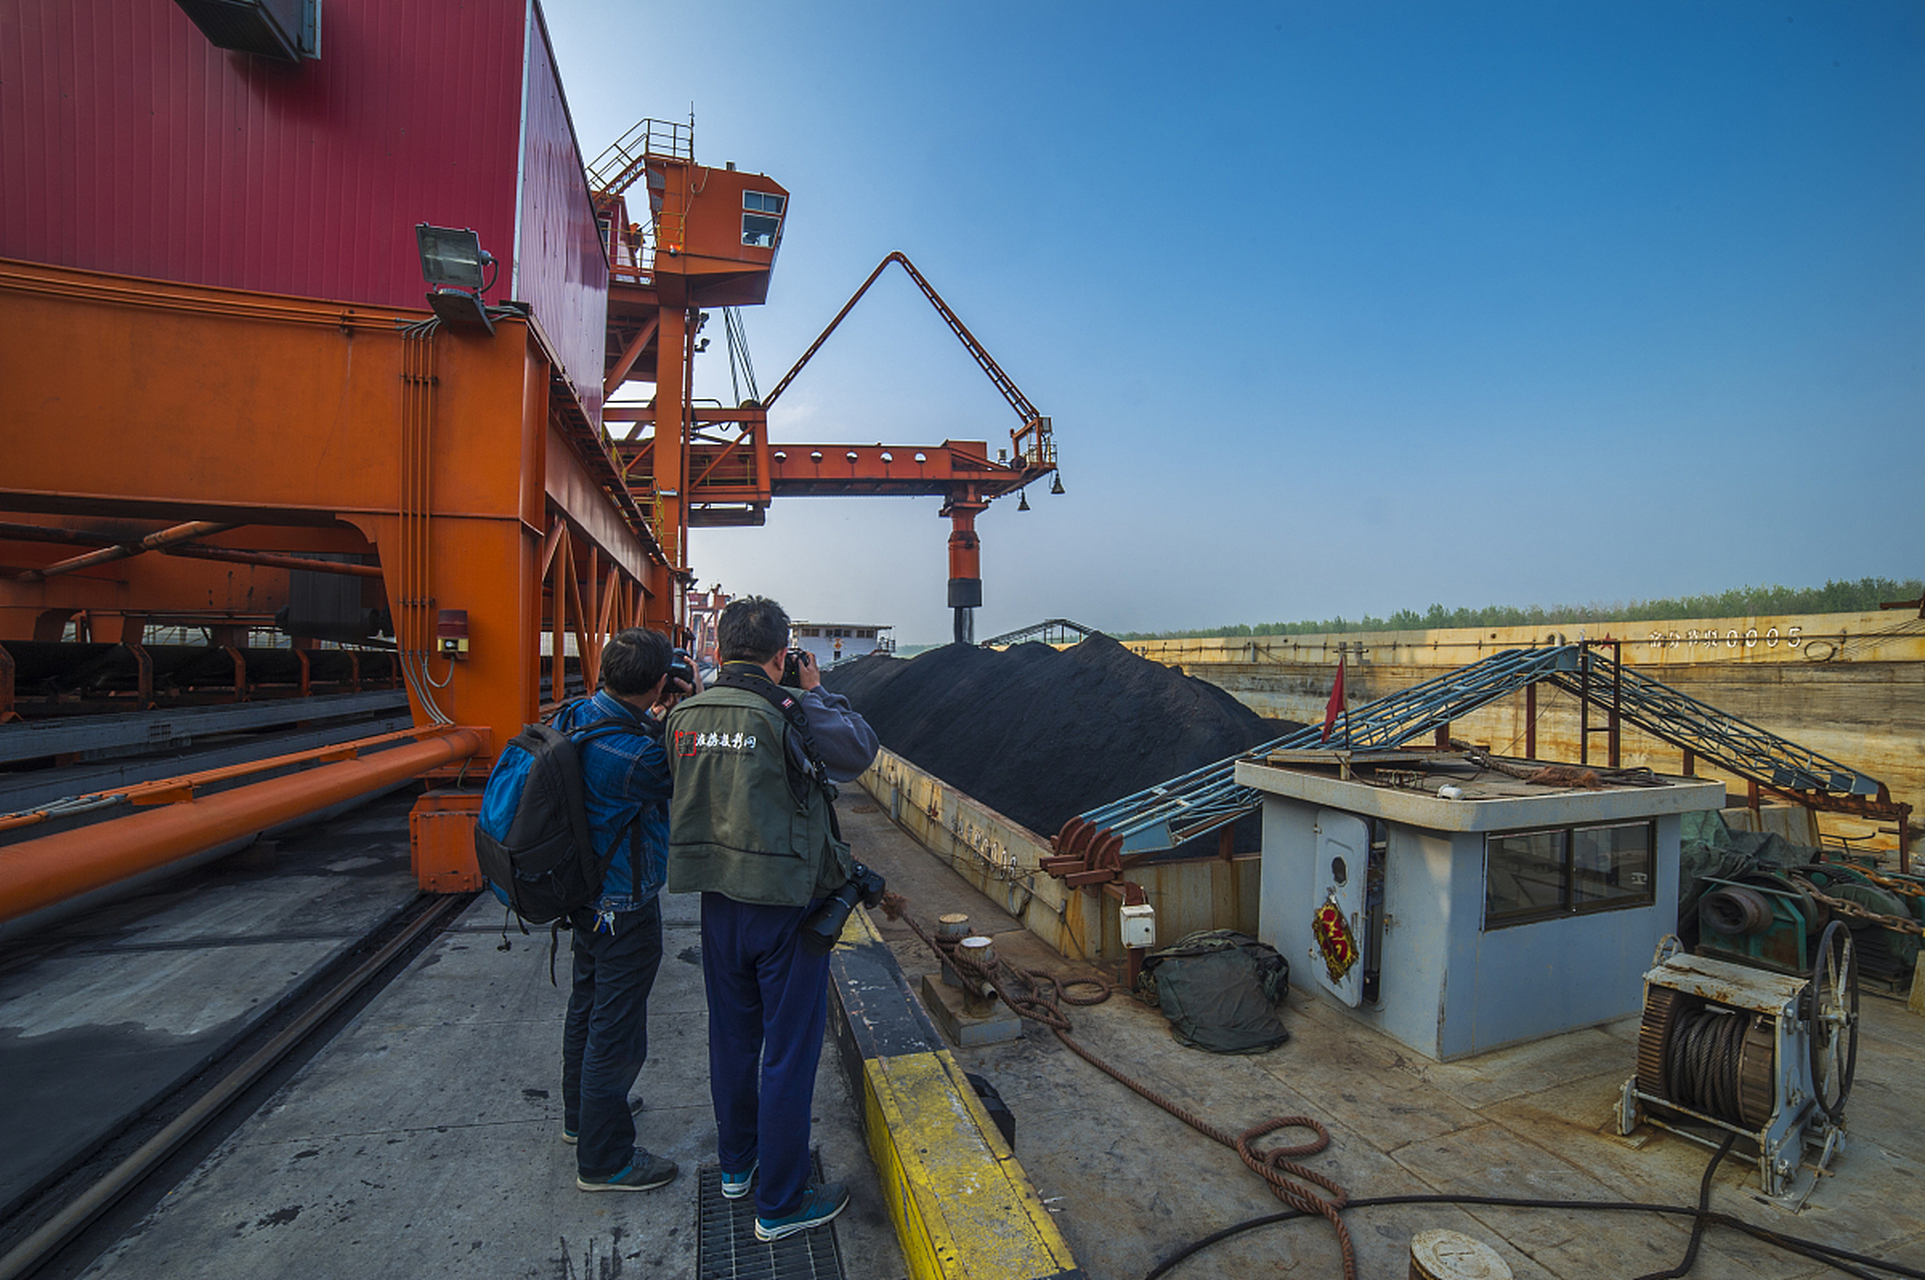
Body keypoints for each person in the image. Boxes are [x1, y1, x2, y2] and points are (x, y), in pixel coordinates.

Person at [665, 596, 879, 1242]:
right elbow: (860, 749)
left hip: (715, 902)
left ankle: (738, 1167)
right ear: (782, 655)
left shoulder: (681, 716)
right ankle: (780, 1203)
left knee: (731, 1039)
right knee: (787, 1052)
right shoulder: (791, 711)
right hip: (784, 907)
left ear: (722, 649)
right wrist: (818, 692)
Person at [551, 627, 691, 1193]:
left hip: (583, 897)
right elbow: (683, 774)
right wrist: (685, 707)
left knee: (587, 1005)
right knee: (617, 1026)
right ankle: (605, 1160)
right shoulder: (634, 757)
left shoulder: (574, 716)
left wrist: (655, 708)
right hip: (623, 904)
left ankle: (581, 1118)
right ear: (659, 682)